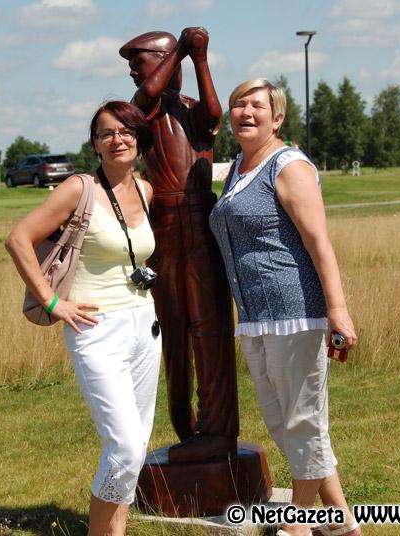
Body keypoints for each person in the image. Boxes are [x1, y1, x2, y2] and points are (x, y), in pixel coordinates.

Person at [208, 79, 360, 536]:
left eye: (257, 106)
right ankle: (342, 524)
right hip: (255, 318)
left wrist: (337, 309)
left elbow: (319, 242)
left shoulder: (288, 165)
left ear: (277, 119)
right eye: (239, 105)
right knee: (286, 425)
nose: (246, 112)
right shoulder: (239, 168)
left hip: (296, 312)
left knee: (302, 424)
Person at [6, 101, 160, 536]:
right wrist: (52, 301)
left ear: (139, 139)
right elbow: (18, 239)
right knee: (124, 447)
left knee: (136, 444)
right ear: (95, 144)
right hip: (96, 329)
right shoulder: (79, 188)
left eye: (125, 131)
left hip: (144, 327)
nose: (117, 140)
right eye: (106, 133)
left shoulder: (146, 191)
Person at [119, 27, 238, 463]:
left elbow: (213, 114)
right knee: (172, 329)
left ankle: (218, 429)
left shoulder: (194, 109)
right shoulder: (143, 114)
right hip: (164, 226)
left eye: (139, 62)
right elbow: (145, 97)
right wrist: (183, 51)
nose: (133, 72)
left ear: (164, 61)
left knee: (209, 326)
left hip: (201, 221)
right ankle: (184, 425)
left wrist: (199, 57)